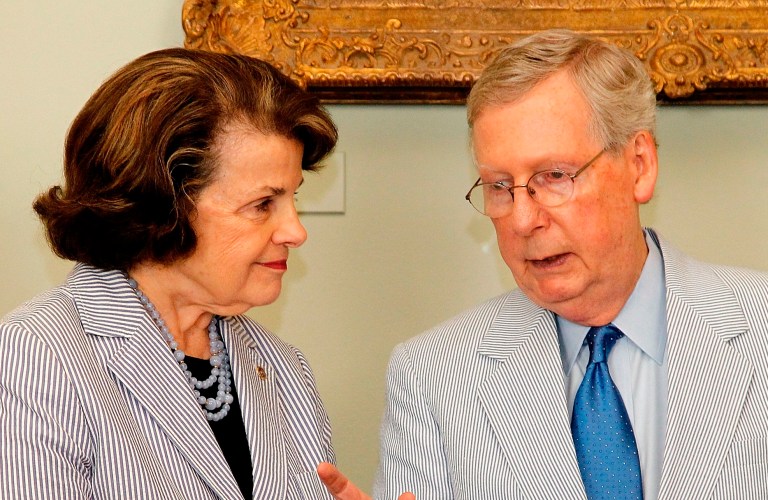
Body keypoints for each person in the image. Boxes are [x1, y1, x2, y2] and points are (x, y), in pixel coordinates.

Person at [371, 29, 768, 499]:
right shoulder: (431, 376)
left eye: (555, 177)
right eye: (499, 186)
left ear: (639, 164)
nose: (522, 219)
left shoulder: (758, 329)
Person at [0, 48, 340, 499]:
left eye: (293, 198)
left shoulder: (281, 366)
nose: (296, 231)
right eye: (263, 204)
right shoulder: (38, 355)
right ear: (163, 205)